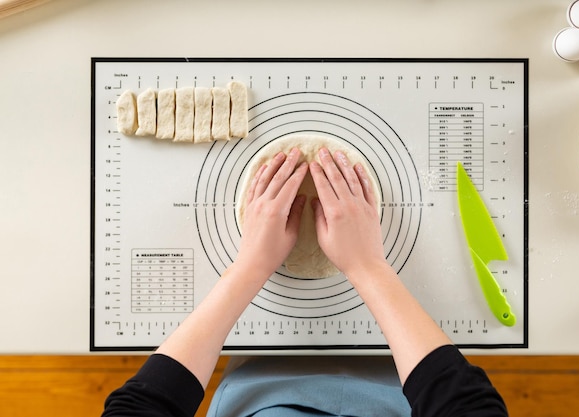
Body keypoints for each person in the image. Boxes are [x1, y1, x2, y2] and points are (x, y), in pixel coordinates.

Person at [101, 147, 508, 417]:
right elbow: (466, 406)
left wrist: (251, 265)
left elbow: (141, 408)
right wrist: (368, 266)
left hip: (258, 385)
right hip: (403, 386)